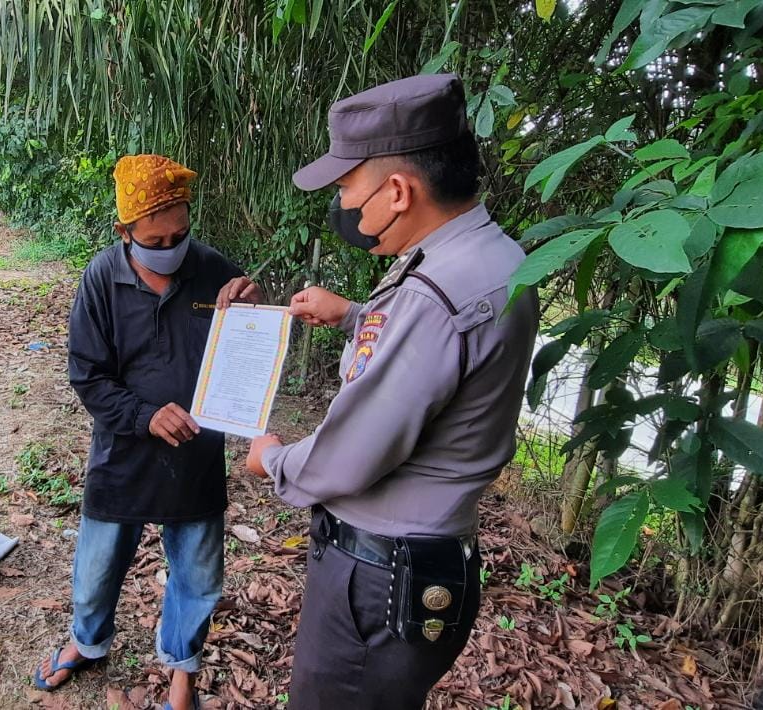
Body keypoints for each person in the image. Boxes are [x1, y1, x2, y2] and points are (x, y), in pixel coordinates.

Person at [220, 74, 540, 709]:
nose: (344, 210)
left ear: (398, 190)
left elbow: (357, 448)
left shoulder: (435, 292)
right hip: (429, 561)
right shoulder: (495, 259)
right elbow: (444, 359)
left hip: (379, 575)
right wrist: (355, 315)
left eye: (347, 191)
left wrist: (274, 461)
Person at [33, 155, 260, 710]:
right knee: (97, 565)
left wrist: (251, 313)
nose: (171, 247)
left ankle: (182, 670)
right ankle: (86, 642)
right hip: (123, 450)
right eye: (156, 239)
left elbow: (244, 355)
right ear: (124, 233)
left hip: (196, 451)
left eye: (181, 234)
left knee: (198, 572)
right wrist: (144, 415)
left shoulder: (211, 270)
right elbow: (87, 375)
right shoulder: (100, 279)